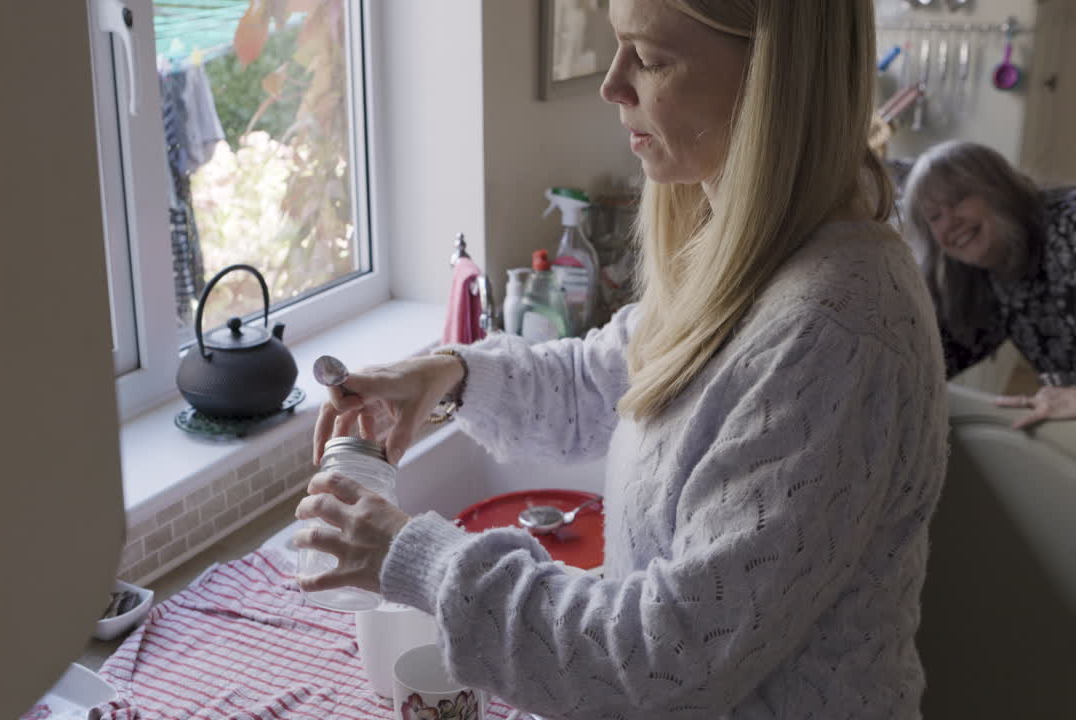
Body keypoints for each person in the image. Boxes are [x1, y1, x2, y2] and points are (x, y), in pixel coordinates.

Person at [295, 1, 947, 717]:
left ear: (775, 81)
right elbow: (607, 380)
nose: (612, 84)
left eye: (653, 57)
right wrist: (449, 377)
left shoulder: (836, 331)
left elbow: (663, 663)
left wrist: (415, 558)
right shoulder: (750, 253)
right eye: (616, 46)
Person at [899, 140, 1076, 429]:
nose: (950, 223)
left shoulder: (1069, 225)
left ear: (999, 189)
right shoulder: (989, 274)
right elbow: (937, 358)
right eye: (934, 217)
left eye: (958, 201)